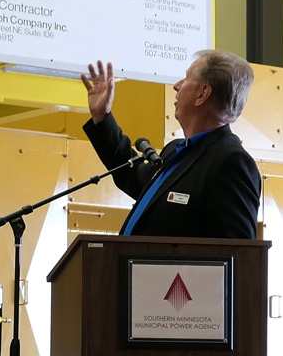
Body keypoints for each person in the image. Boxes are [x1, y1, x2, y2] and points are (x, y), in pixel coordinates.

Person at [80, 50, 261, 239]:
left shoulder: (231, 162)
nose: (177, 86)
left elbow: (238, 253)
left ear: (202, 94)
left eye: (186, 78)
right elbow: (130, 173)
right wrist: (102, 117)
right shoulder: (175, 151)